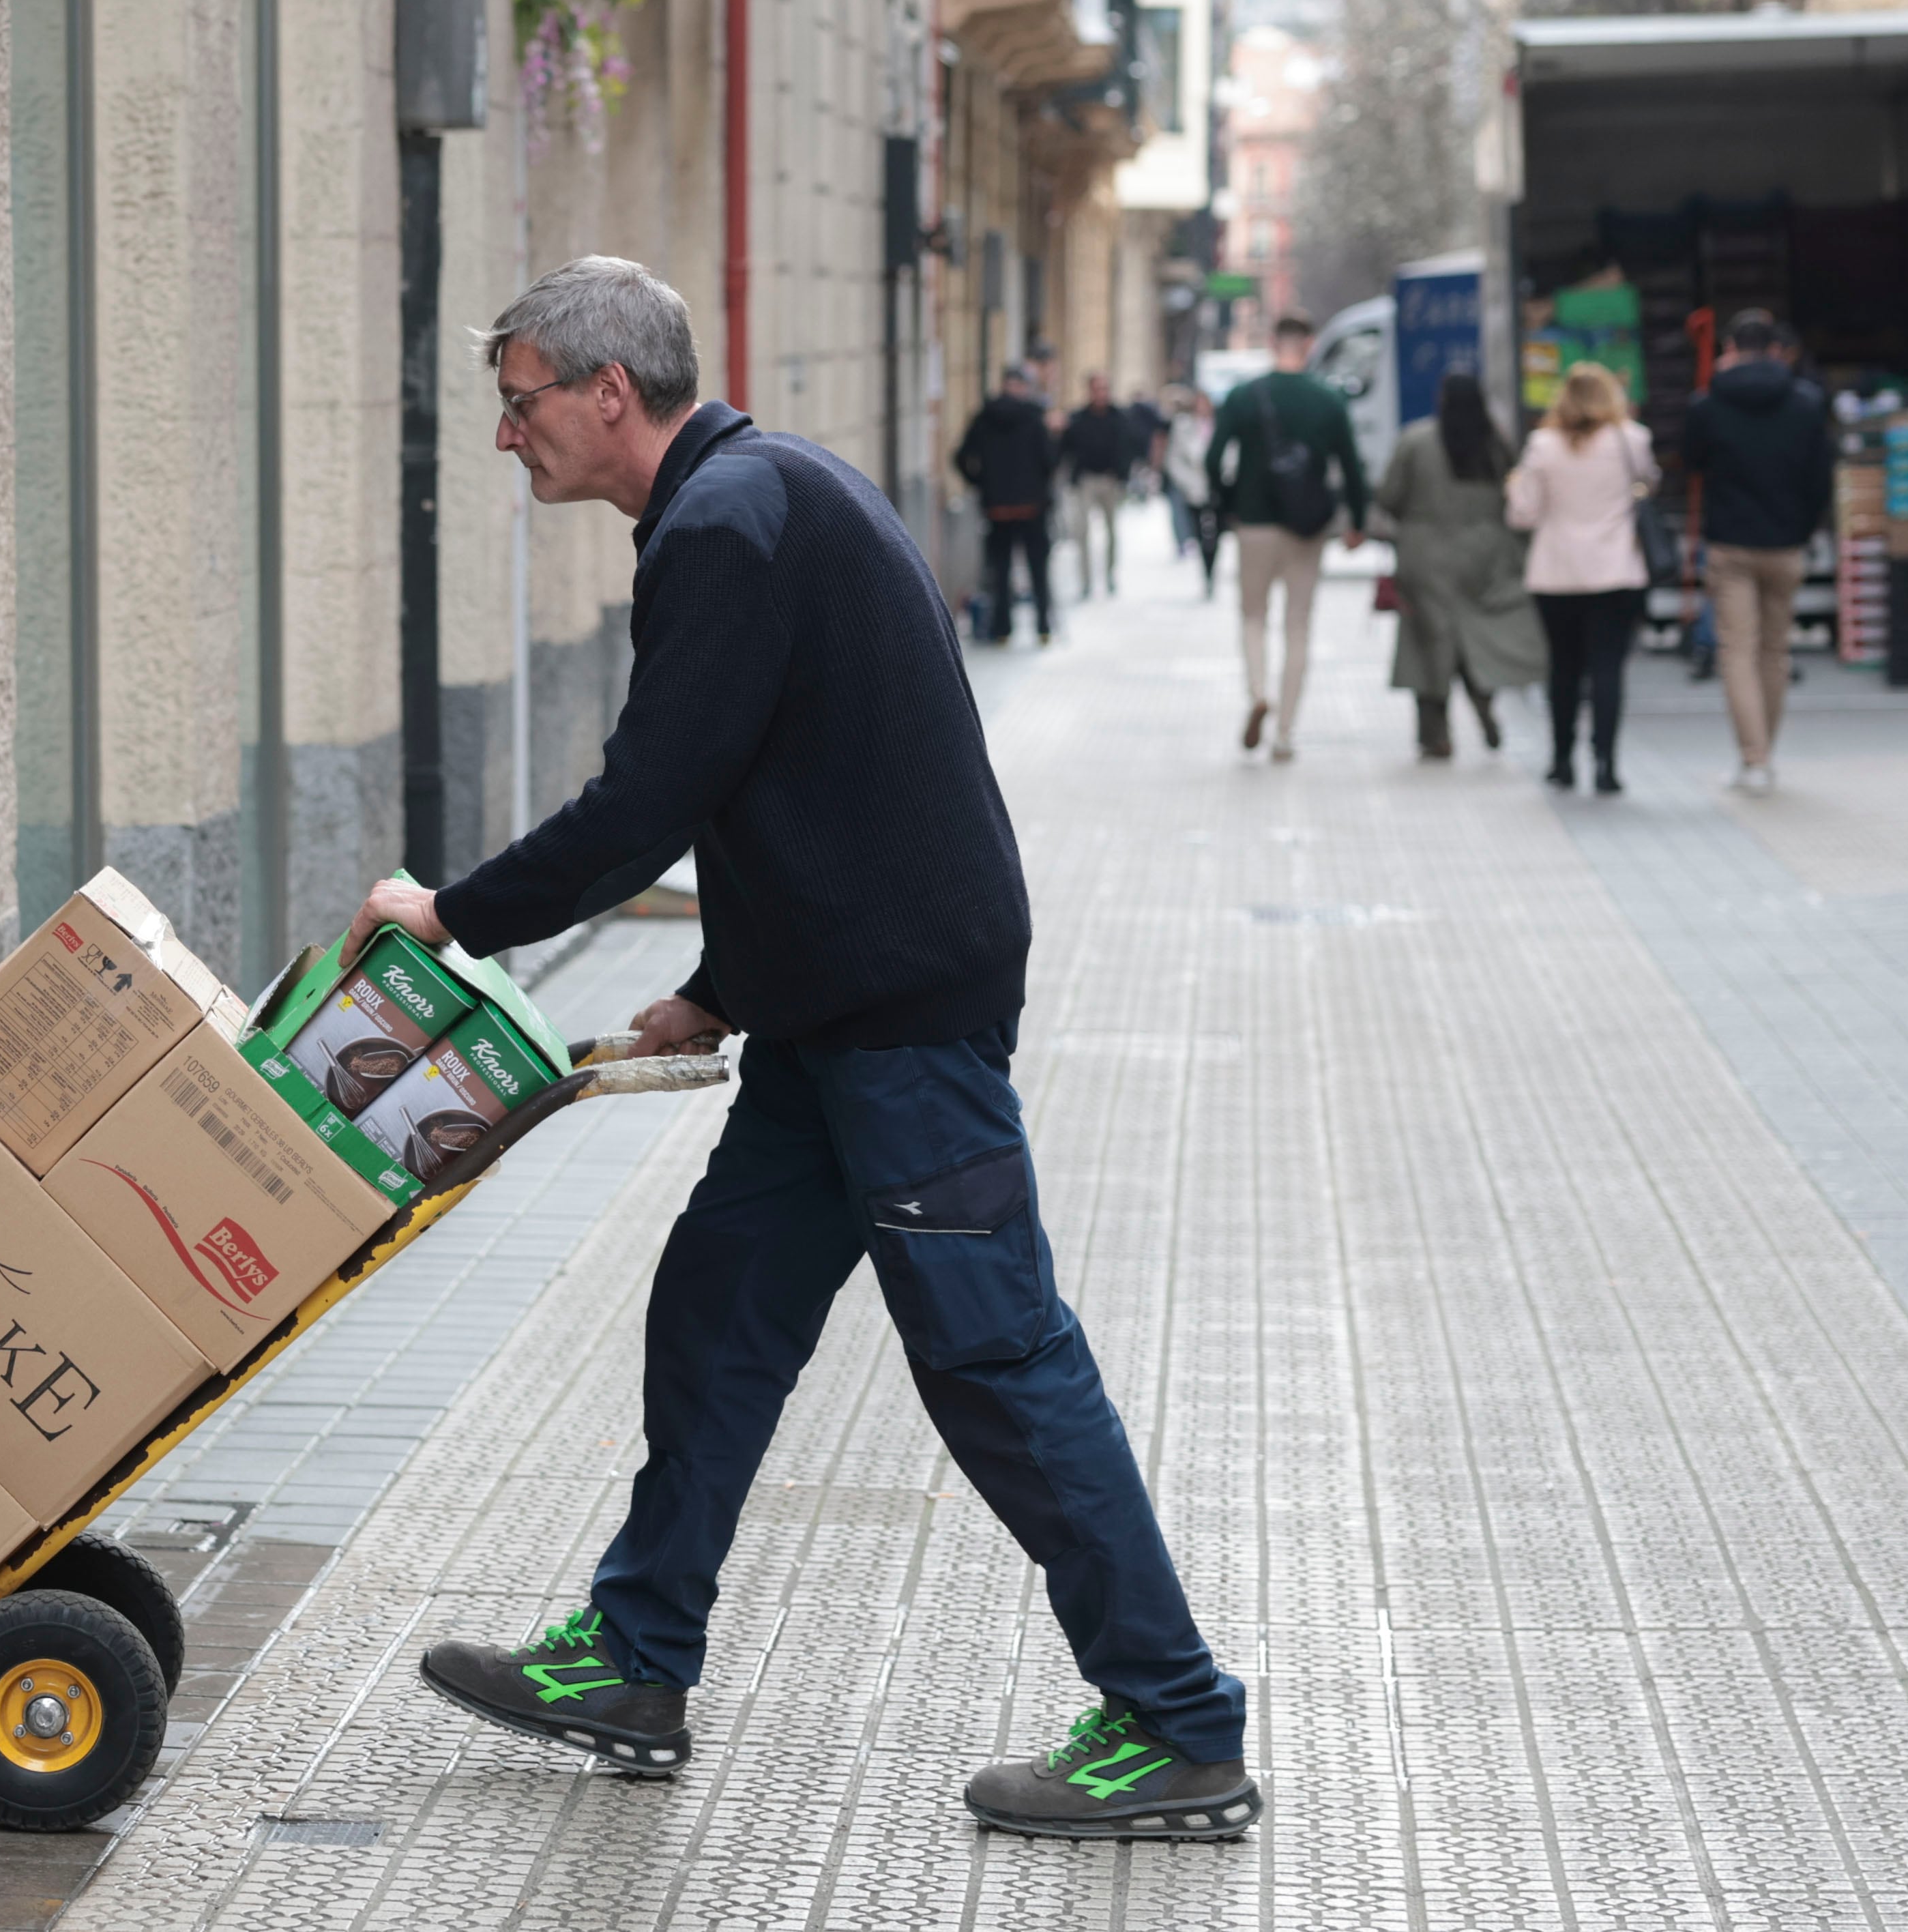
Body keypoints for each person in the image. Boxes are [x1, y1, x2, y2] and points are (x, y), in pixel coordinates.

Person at [350, 254, 1261, 1843]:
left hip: (902, 1035)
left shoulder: (723, 528)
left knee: (995, 1363)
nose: (505, 437)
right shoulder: (746, 503)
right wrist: (726, 980)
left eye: (517, 403)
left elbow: (649, 794)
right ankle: (633, 1661)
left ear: (605, 392)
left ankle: (1176, 1721)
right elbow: (804, 786)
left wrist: (449, 916)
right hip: (835, 1018)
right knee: (715, 1315)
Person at [1683, 309, 1834, 793]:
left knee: (1737, 651)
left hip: (1730, 543)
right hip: (1786, 543)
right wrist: (1806, 527)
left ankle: (1754, 758)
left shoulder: (1708, 405)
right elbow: (1821, 479)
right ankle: (1763, 752)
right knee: (1775, 652)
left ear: (1729, 348)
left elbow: (1690, 461)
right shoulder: (1807, 403)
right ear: (1775, 349)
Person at [1207, 313, 1370, 759]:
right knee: (1298, 625)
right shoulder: (1329, 400)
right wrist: (1357, 520)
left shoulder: (1243, 397)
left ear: (1272, 342)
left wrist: (1229, 505)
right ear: (1310, 343)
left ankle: (1259, 691)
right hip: (1308, 527)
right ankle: (1284, 733)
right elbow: (1353, 469)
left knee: (1253, 617)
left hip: (1255, 523)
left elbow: (1214, 458)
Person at [1370, 374, 1544, 759]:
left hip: (1425, 554)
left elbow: (1388, 496)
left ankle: (1436, 734)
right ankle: (1484, 706)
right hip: (1486, 553)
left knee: (1427, 644)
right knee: (1475, 638)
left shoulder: (1416, 441)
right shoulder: (1494, 445)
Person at [1507, 360, 1654, 795]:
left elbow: (1524, 514)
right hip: (1616, 570)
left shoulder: (1542, 445)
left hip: (1556, 574)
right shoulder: (1631, 439)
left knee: (1563, 669)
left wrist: (1516, 484)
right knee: (1609, 669)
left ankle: (1561, 760)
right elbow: (1649, 483)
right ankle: (1606, 763)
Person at [954, 367, 1061, 643]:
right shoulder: (1034, 418)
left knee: (1000, 570)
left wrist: (982, 484)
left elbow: (961, 456)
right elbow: (1050, 461)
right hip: (1032, 506)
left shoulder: (985, 417)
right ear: (1023, 387)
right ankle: (1043, 627)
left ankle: (1002, 629)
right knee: (1038, 567)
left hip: (997, 507)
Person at [1060, 373, 1134, 598]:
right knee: (1082, 532)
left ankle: (1110, 576)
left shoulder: (1118, 417)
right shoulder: (1079, 418)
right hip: (1087, 479)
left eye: (1104, 389)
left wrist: (1123, 473)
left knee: (1112, 531)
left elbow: (1128, 446)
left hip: (1111, 480)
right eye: (1096, 389)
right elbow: (1067, 448)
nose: (1100, 394)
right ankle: (1085, 581)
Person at [1162, 387, 1222, 593]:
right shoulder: (1183, 426)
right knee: (1198, 532)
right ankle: (1205, 570)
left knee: (1214, 535)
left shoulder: (1220, 425)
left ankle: (1211, 571)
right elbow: (1174, 459)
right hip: (1193, 488)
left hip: (1218, 487)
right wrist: (1187, 483)